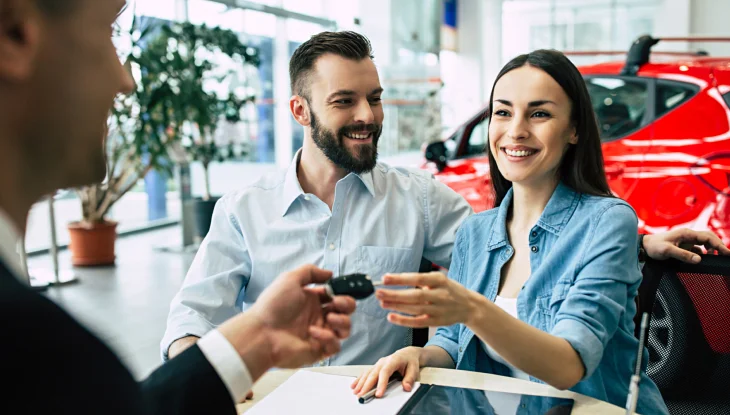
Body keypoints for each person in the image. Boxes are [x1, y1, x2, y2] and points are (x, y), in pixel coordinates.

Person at [163, 30, 730, 371]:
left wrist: (640, 240)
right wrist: (217, 386)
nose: (368, 116)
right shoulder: (242, 211)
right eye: (345, 101)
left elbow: (529, 242)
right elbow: (189, 325)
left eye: (375, 98)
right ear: (300, 112)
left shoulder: (420, 199)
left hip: (377, 402)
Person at [0, 1, 355, 414]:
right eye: (107, 35)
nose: (126, 80)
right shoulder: (32, 346)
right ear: (14, 36)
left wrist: (258, 337)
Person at [352, 50, 727, 414]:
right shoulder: (475, 233)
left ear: (575, 129)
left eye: (539, 113)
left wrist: (473, 310)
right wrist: (417, 354)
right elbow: (452, 343)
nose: (516, 131)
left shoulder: (608, 222)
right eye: (503, 112)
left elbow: (568, 365)